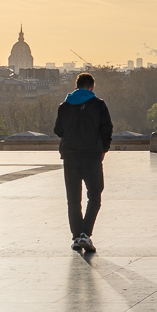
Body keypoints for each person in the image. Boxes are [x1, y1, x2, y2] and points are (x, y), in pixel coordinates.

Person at [54, 72, 113, 254]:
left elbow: (58, 130)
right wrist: (103, 149)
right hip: (92, 156)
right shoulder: (99, 105)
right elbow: (107, 129)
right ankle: (85, 234)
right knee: (94, 196)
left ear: (76, 86)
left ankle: (76, 237)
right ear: (92, 87)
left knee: (73, 199)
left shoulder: (64, 106)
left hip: (70, 156)